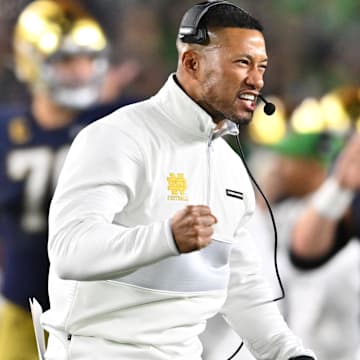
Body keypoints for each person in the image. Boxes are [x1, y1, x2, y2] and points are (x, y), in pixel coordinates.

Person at [40, 2, 317, 359]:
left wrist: (287, 353)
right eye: (242, 63)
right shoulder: (118, 137)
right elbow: (69, 249)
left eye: (261, 66)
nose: (257, 80)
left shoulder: (230, 167)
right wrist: (166, 237)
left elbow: (242, 285)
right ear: (192, 63)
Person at [0, 1, 138, 359]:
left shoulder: (118, 121)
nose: (80, 71)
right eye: (66, 61)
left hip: (99, 313)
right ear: (31, 60)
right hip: (20, 304)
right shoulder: (6, 130)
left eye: (87, 59)